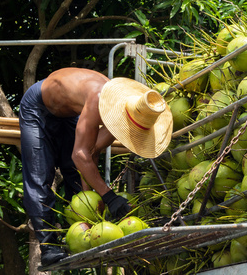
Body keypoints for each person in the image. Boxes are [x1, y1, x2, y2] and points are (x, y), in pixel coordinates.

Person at [19, 67, 173, 266]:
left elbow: (91, 153)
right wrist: (110, 197)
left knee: (75, 174)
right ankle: (48, 246)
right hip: (38, 106)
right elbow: (80, 155)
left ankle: (77, 235)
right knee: (40, 176)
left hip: (68, 112)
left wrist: (90, 201)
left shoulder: (125, 115)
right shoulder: (100, 99)